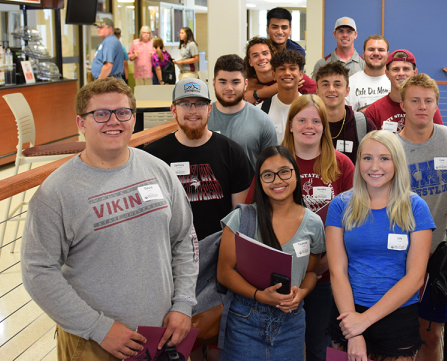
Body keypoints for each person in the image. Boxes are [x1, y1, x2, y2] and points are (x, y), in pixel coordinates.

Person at [21, 78, 199, 360]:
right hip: (93, 343)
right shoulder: (57, 192)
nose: (113, 122)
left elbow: (184, 238)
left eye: (122, 112)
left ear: (133, 117)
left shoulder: (158, 170)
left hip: (162, 334)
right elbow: (38, 271)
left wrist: (183, 303)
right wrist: (98, 327)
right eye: (100, 114)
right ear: (81, 123)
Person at [326, 130, 435, 361]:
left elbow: (416, 277)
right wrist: (354, 330)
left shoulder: (416, 207)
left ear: (397, 162)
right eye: (367, 158)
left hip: (397, 315)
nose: (375, 166)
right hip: (348, 311)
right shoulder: (340, 205)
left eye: (384, 158)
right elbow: (337, 270)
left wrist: (363, 322)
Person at [217, 146, 326, 361]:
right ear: (259, 180)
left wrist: (302, 292)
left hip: (291, 323)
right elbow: (224, 272)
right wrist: (260, 295)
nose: (277, 180)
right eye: (268, 175)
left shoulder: (313, 223)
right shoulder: (242, 218)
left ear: (295, 174)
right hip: (244, 320)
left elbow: (312, 272)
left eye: (284, 171)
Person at [396, 73, 447, 361]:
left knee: (431, 334)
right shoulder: (390, 147)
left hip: (439, 256)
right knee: (398, 334)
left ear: (436, 104)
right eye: (414, 100)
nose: (422, 106)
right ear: (402, 104)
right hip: (397, 255)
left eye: (428, 101)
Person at [282, 94, 354, 361]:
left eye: (316, 120)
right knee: (283, 349)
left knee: (319, 349)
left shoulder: (342, 165)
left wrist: (320, 266)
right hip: (282, 279)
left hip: (327, 277)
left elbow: (353, 223)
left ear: (325, 126)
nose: (308, 126)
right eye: (301, 120)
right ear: (290, 125)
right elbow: (256, 216)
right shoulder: (275, 162)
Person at [143, 78, 253, 241]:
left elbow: (241, 216)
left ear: (209, 108)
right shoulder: (153, 156)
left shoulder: (232, 152)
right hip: (171, 252)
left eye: (199, 104)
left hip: (218, 252)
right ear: (174, 110)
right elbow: (149, 216)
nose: (193, 110)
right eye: (185, 103)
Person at [207, 53, 278, 168]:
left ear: (245, 84)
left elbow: (272, 167)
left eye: (235, 82)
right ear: (214, 83)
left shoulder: (263, 121)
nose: (229, 88)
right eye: (223, 82)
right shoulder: (202, 119)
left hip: (250, 186)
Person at [364, 49, 443, 134]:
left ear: (414, 72)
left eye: (406, 69)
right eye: (396, 69)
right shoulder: (374, 111)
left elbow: (439, 138)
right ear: (387, 73)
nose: (401, 73)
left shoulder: (426, 108)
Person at [315, 62, 376, 164]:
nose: (331, 89)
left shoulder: (364, 125)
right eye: (325, 84)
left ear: (347, 91)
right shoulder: (309, 125)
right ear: (317, 91)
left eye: (337, 85)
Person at [243, 37, 316, 105]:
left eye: (265, 53)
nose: (261, 58)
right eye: (255, 55)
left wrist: (256, 94)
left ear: (272, 56)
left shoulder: (295, 78)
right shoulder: (246, 85)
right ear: (250, 62)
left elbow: (321, 93)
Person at [257, 49, 305, 143]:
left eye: (292, 68)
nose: (287, 73)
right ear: (274, 75)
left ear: (300, 75)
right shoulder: (261, 111)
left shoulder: (311, 108)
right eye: (282, 69)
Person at [346, 35, 391, 111]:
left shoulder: (395, 82)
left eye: (381, 50)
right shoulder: (350, 82)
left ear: (387, 54)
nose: (376, 53)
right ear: (363, 53)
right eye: (371, 49)